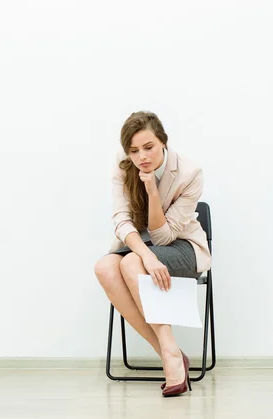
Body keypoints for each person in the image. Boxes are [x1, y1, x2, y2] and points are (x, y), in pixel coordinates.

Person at [94, 111, 211, 397]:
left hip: (182, 247)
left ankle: (171, 358)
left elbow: (163, 236)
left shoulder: (189, 172)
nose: (141, 157)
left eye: (148, 147)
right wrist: (147, 255)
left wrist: (152, 191)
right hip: (142, 247)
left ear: (163, 142)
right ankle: (169, 351)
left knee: (133, 261)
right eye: (133, 150)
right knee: (105, 267)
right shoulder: (123, 167)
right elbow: (121, 220)